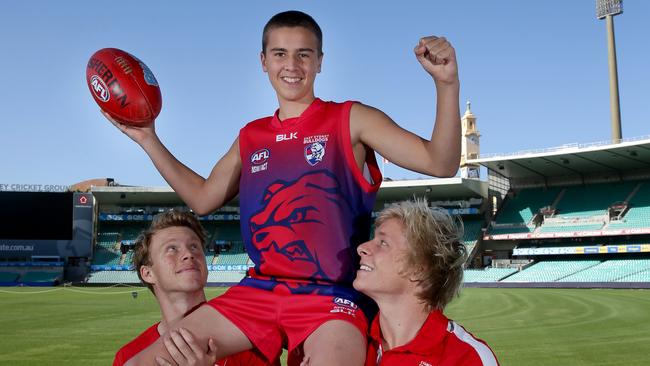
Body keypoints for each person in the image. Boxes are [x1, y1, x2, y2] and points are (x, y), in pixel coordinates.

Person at [106, 10, 461, 366]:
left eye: (303, 54)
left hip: (330, 297)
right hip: (259, 291)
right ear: (263, 61)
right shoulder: (250, 136)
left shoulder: (351, 119)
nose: (291, 64)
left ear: (320, 62)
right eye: (279, 53)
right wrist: (147, 138)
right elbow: (202, 199)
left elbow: (439, 162)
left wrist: (446, 84)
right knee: (142, 362)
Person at [113, 210, 277, 366]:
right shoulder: (130, 356)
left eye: (194, 247)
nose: (189, 254)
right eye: (172, 249)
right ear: (148, 273)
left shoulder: (248, 343)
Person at [352, 200, 499, 365]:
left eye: (383, 243)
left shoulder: (468, 358)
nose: (362, 247)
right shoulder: (349, 341)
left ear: (418, 269)